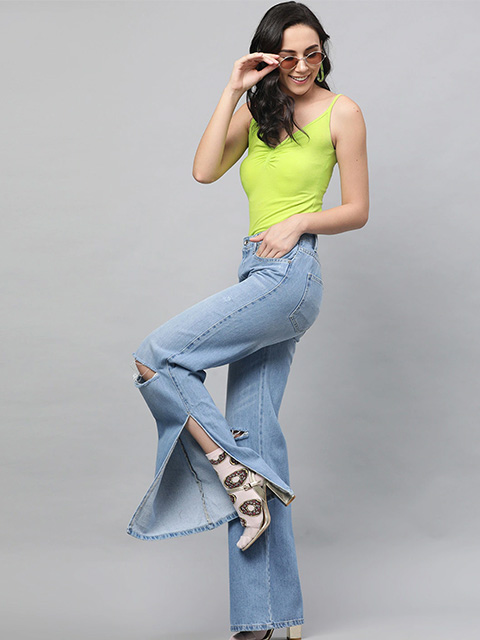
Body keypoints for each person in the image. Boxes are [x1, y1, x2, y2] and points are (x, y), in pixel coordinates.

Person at [127, 2, 369, 639]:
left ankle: (226, 467)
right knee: (254, 440)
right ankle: (266, 618)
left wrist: (300, 221)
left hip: (290, 275)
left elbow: (358, 208)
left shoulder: (342, 112)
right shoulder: (259, 115)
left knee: (157, 354)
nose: (303, 66)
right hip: (255, 272)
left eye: (313, 53)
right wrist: (233, 89)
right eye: (289, 56)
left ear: (323, 53)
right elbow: (204, 170)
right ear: (268, 58)